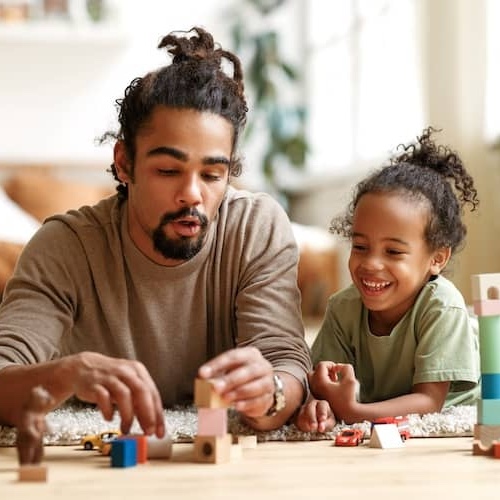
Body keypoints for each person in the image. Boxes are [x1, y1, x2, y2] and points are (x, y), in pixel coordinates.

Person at [0, 27, 311, 436]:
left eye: (213, 174)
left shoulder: (257, 228)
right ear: (125, 163)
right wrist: (68, 373)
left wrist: (270, 392)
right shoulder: (65, 245)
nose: (192, 195)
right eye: (168, 171)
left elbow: (287, 366)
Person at [296, 127, 480, 432]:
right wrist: (320, 405)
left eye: (393, 251)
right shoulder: (342, 308)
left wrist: (355, 411)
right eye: (360, 247)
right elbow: (323, 384)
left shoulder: (441, 307)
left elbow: (428, 402)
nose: (370, 264)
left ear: (437, 259)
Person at [16, 385, 54, 465]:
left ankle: (36, 468)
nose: (44, 402)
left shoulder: (40, 413)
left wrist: (49, 430)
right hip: (26, 440)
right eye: (42, 399)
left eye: (45, 399)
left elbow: (51, 403)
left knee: (39, 453)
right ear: (34, 400)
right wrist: (34, 433)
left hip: (38, 440)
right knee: (27, 454)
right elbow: (27, 426)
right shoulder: (28, 413)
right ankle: (26, 468)